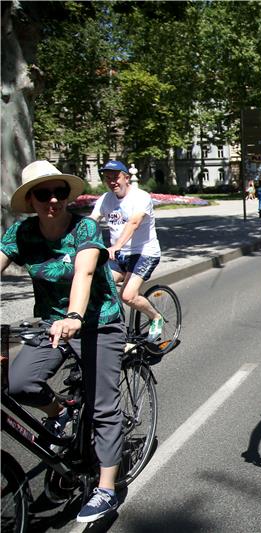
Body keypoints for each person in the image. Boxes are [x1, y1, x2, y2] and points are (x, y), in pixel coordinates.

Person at [1, 160, 126, 523]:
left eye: (59, 192)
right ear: (31, 200)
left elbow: (85, 273)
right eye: (43, 194)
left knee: (103, 405)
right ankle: (62, 413)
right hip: (52, 324)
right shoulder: (21, 234)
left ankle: (106, 488)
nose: (53, 200)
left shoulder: (83, 227)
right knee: (18, 384)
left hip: (97, 321)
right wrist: (61, 320)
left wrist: (73, 316)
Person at [90, 160, 163, 343]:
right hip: (119, 256)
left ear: (126, 178)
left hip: (144, 252)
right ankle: (114, 327)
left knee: (128, 296)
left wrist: (117, 245)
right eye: (108, 178)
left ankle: (156, 317)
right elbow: (91, 221)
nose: (112, 181)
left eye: (116, 177)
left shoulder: (140, 197)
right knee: (98, 285)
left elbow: (134, 223)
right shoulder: (105, 199)